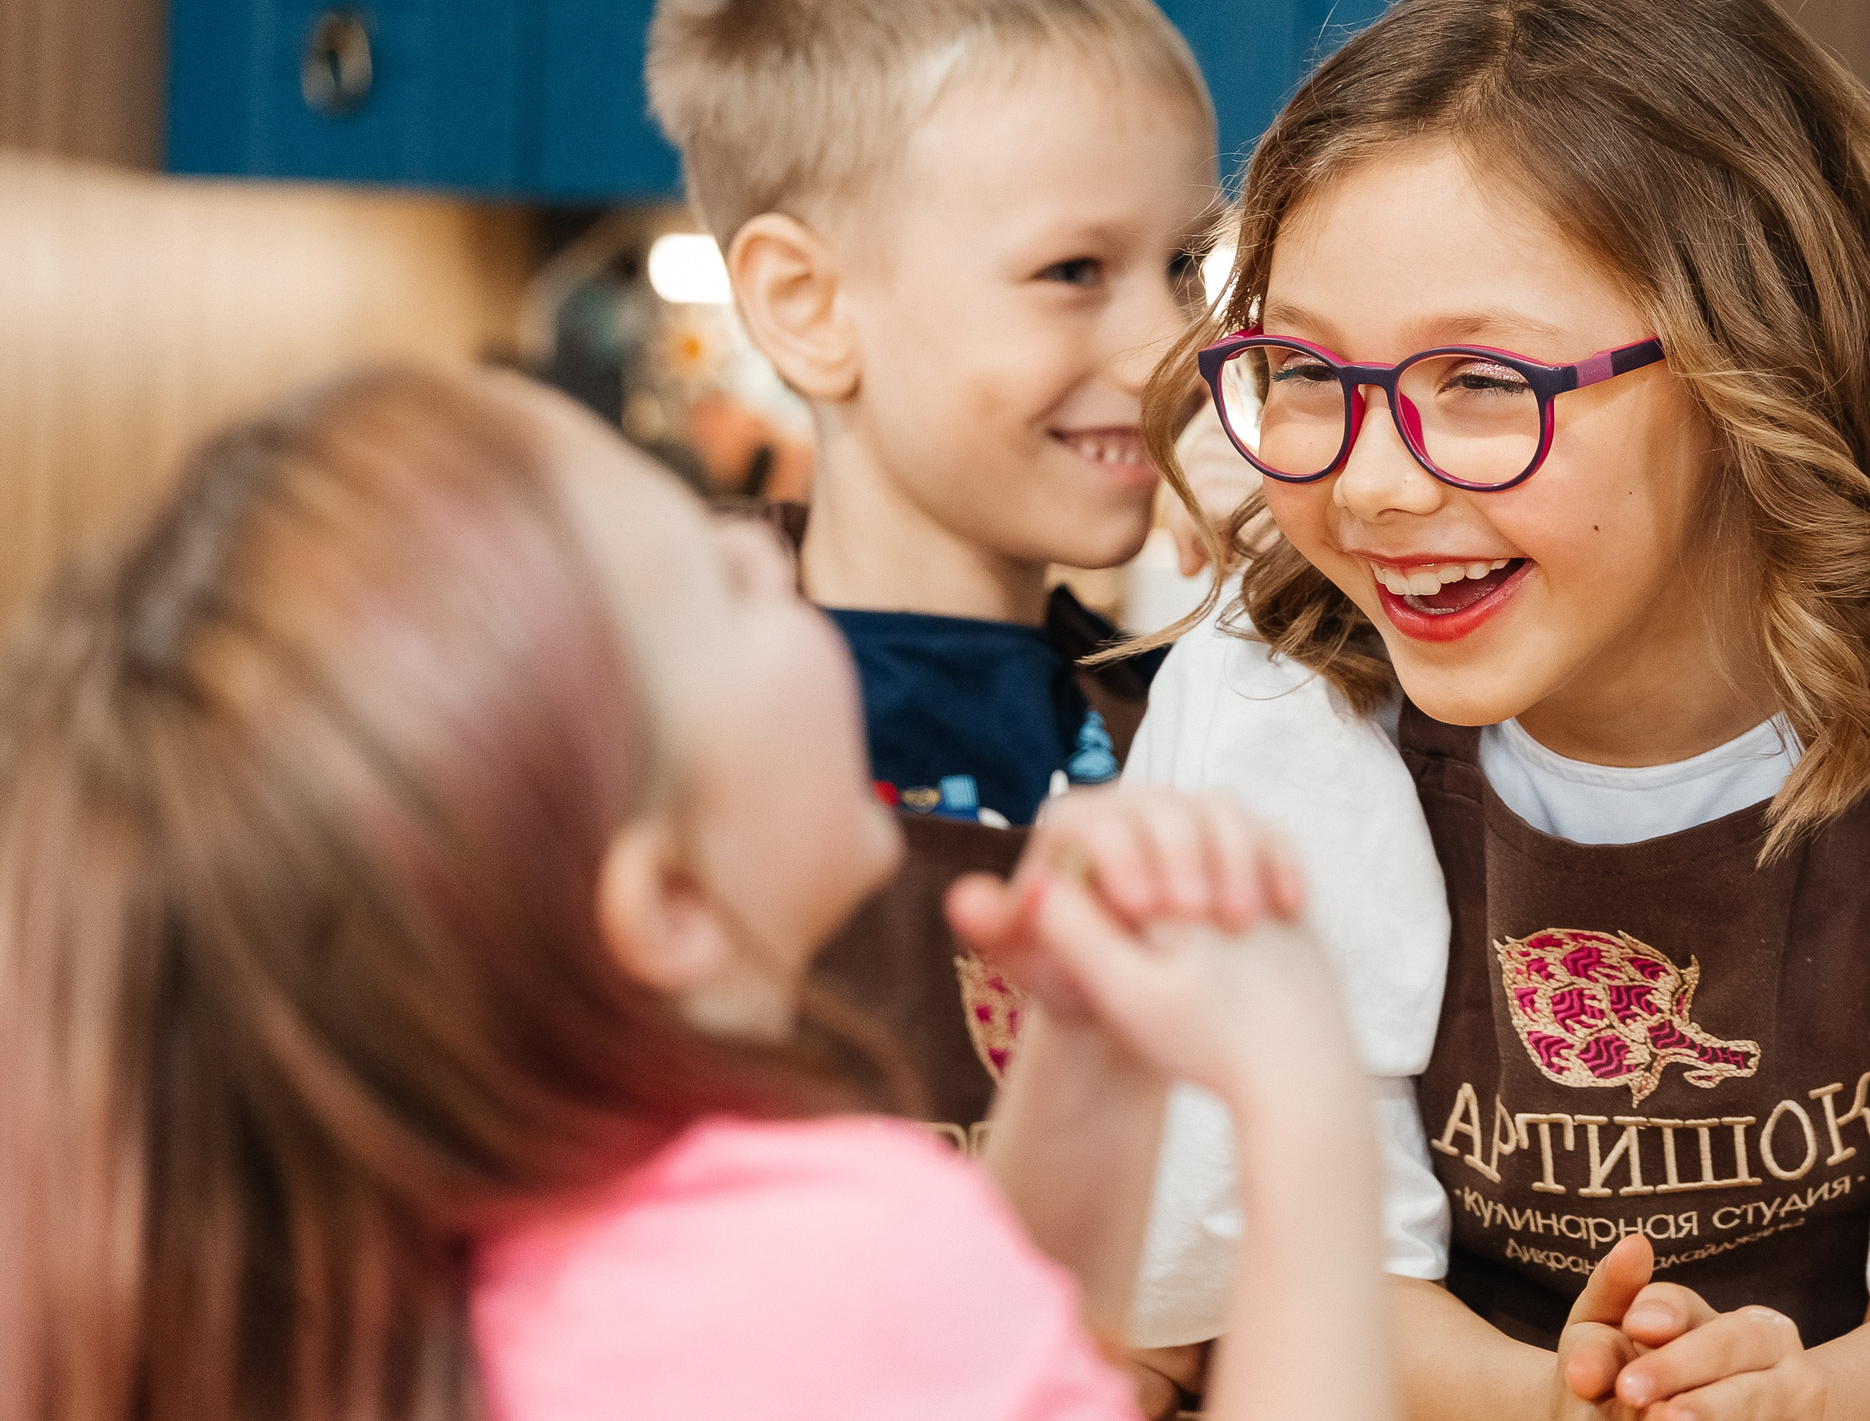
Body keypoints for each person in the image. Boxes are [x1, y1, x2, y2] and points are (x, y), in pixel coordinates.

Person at [1123, 0, 1870, 1420]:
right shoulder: (1282, 719)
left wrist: (1789, 1399)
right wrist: (1560, 1396)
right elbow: (1304, 1283)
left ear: (1755, 362)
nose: (1370, 484)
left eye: (1483, 383)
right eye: (1309, 371)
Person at [0, 364, 1389, 1421]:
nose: (759, 543)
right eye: (719, 582)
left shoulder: (397, 1272)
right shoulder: (830, 1258)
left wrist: (1087, 1058)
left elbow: (979, 1368)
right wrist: (1304, 1101)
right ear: (665, 895)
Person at [643, 0, 1219, 1156]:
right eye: (1073, 272)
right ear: (807, 307)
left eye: (1185, 267)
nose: (1169, 346)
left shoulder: (1186, 709)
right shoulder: (656, 722)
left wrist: (1272, 631)